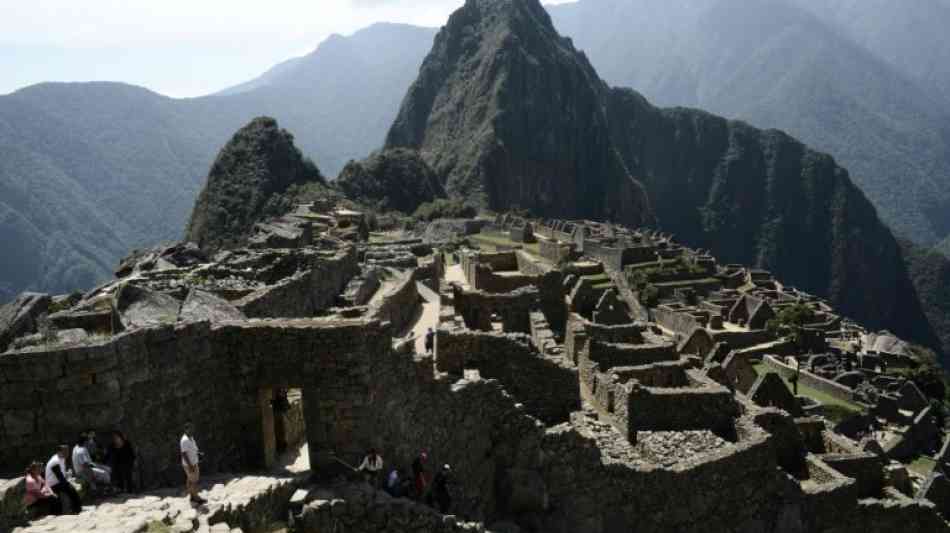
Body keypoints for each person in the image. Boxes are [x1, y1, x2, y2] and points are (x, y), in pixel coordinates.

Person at [46, 445, 81, 514]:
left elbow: (62, 473)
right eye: (64, 451)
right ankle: (76, 509)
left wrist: (67, 475)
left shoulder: (62, 458)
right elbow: (60, 477)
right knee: (72, 490)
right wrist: (68, 483)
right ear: (59, 452)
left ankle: (76, 509)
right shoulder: (55, 461)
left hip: (58, 481)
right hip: (53, 484)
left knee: (72, 487)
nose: (67, 453)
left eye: (67, 451)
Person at [180, 423, 205, 505]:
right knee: (194, 481)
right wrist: (190, 466)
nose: (192, 430)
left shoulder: (191, 438)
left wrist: (198, 453)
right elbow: (184, 454)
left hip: (193, 462)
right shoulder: (184, 440)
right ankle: (196, 498)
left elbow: (192, 449)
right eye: (190, 429)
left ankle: (192, 496)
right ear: (186, 429)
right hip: (190, 464)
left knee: (190, 480)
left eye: (192, 429)